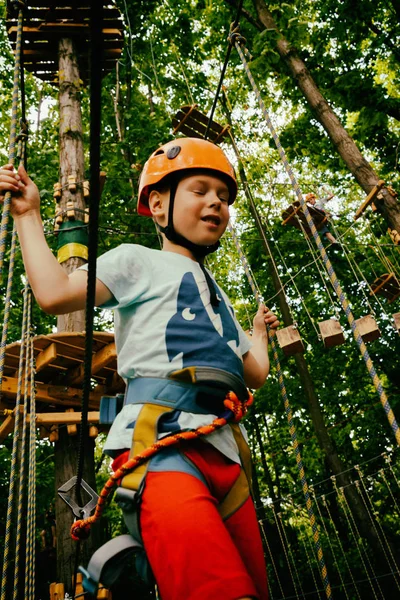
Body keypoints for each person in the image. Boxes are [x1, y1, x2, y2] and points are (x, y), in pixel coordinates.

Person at [0, 137, 279, 600]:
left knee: (255, 589)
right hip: (162, 445)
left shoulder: (219, 296)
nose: (217, 203)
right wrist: (29, 216)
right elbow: (53, 294)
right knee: (215, 591)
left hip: (228, 456)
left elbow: (253, 374)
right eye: (201, 190)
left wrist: (259, 333)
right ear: (159, 204)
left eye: (224, 198)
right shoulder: (137, 260)